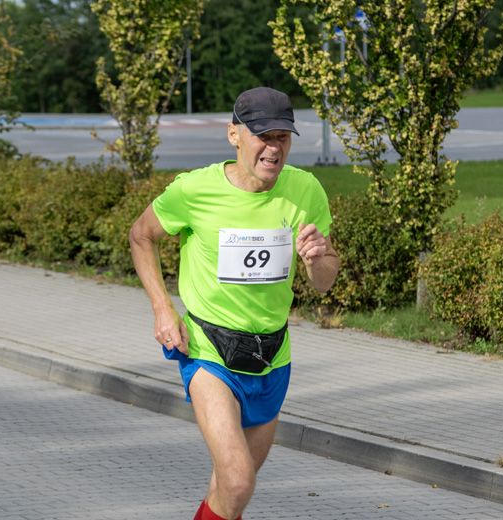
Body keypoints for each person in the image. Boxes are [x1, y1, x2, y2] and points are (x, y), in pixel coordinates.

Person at [129, 86, 339, 520]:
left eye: (283, 136)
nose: (273, 147)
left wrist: (319, 258)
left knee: (229, 491)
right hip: (209, 353)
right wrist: (162, 308)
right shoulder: (195, 190)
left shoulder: (305, 190)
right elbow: (140, 235)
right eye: (262, 134)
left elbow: (324, 282)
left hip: (272, 357)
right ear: (234, 135)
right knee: (239, 479)